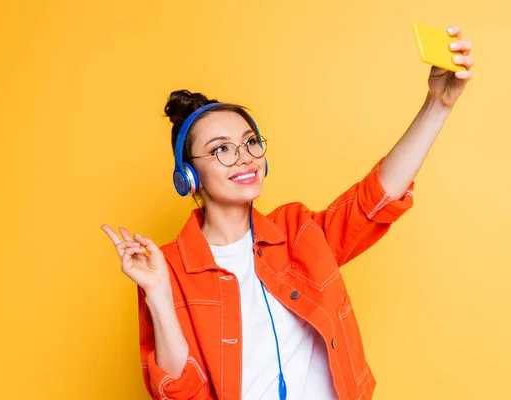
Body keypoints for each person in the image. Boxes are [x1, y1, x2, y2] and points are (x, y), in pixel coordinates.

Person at [102, 25, 474, 400]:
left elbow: (374, 200)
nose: (244, 156)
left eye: (250, 142)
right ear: (188, 176)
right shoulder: (168, 267)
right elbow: (179, 393)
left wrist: (438, 104)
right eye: (222, 149)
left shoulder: (297, 231)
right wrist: (158, 295)